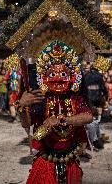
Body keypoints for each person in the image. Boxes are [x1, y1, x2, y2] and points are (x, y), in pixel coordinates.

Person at [20, 41, 93, 184]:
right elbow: (26, 123)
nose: (59, 77)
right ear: (43, 77)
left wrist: (62, 120)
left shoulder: (75, 97)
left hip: (70, 157)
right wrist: (22, 107)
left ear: (73, 76)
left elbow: (88, 116)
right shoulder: (39, 97)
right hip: (45, 157)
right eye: (53, 73)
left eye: (63, 73)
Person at [83, 64, 108, 150]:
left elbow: (83, 88)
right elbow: (103, 88)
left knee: (91, 119)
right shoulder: (99, 76)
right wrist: (105, 96)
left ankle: (94, 139)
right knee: (94, 120)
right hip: (97, 98)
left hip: (88, 98)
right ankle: (95, 139)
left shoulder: (86, 76)